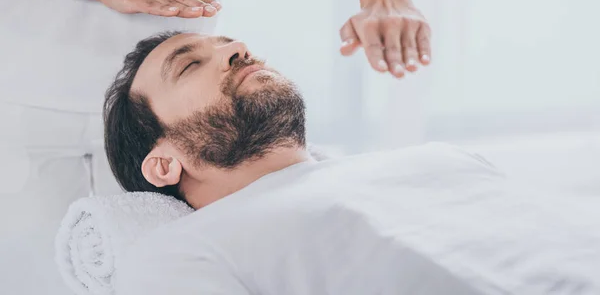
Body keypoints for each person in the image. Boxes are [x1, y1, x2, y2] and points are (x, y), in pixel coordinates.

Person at [0, 0, 430, 293]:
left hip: (195, 124)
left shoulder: (412, 182)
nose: (240, 49)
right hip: (36, 100)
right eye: (192, 62)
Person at [107, 32, 600, 295]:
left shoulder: (437, 157)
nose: (238, 48)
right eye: (191, 65)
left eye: (230, 42)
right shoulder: (173, 254)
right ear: (164, 165)